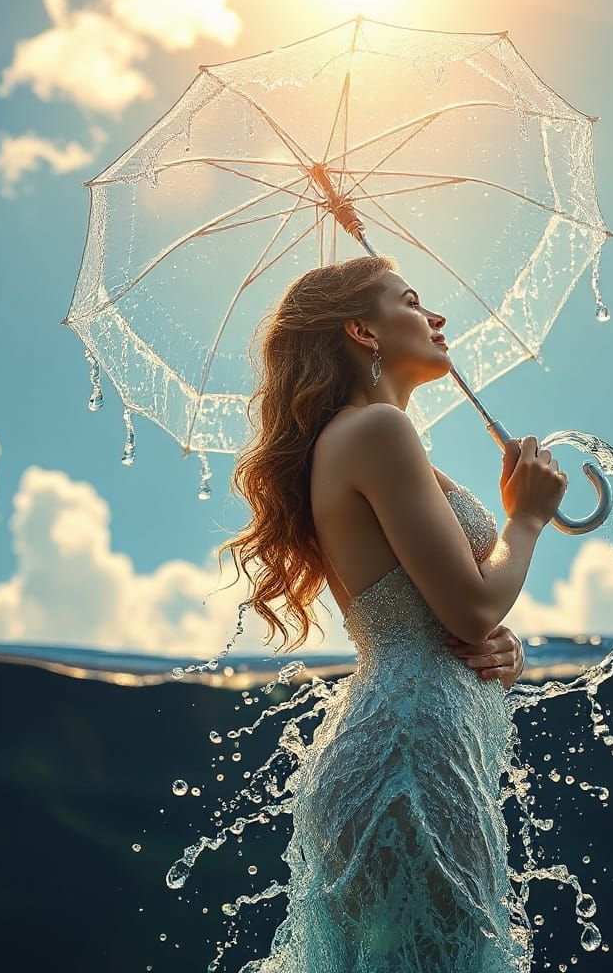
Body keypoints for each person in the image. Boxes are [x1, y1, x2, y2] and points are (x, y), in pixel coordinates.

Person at [217, 254, 568, 972]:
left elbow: (432, 620)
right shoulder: (378, 431)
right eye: (410, 301)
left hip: (392, 740)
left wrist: (502, 652)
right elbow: (470, 609)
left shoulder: (359, 439)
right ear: (361, 330)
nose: (436, 318)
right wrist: (526, 521)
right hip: (410, 754)